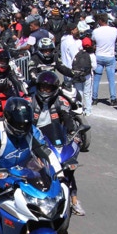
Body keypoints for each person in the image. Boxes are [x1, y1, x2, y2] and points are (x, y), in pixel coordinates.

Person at [0, 97, 62, 202]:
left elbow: (47, 152)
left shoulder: (32, 130)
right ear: (8, 118)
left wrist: (60, 176)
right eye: (19, 124)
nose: (22, 128)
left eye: (25, 125)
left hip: (24, 175)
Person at [30, 71, 84, 216]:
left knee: (67, 167)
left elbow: (68, 119)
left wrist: (73, 132)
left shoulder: (61, 101)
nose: (45, 91)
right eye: (43, 87)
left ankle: (74, 200)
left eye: (48, 88)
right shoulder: (30, 100)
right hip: (32, 139)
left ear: (54, 89)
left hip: (52, 139)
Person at [91, 13, 117, 105]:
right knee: (111, 79)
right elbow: (116, 39)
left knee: (96, 78)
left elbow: (93, 41)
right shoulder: (114, 30)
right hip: (110, 55)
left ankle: (94, 98)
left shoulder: (96, 31)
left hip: (99, 55)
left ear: (100, 21)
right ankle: (113, 98)